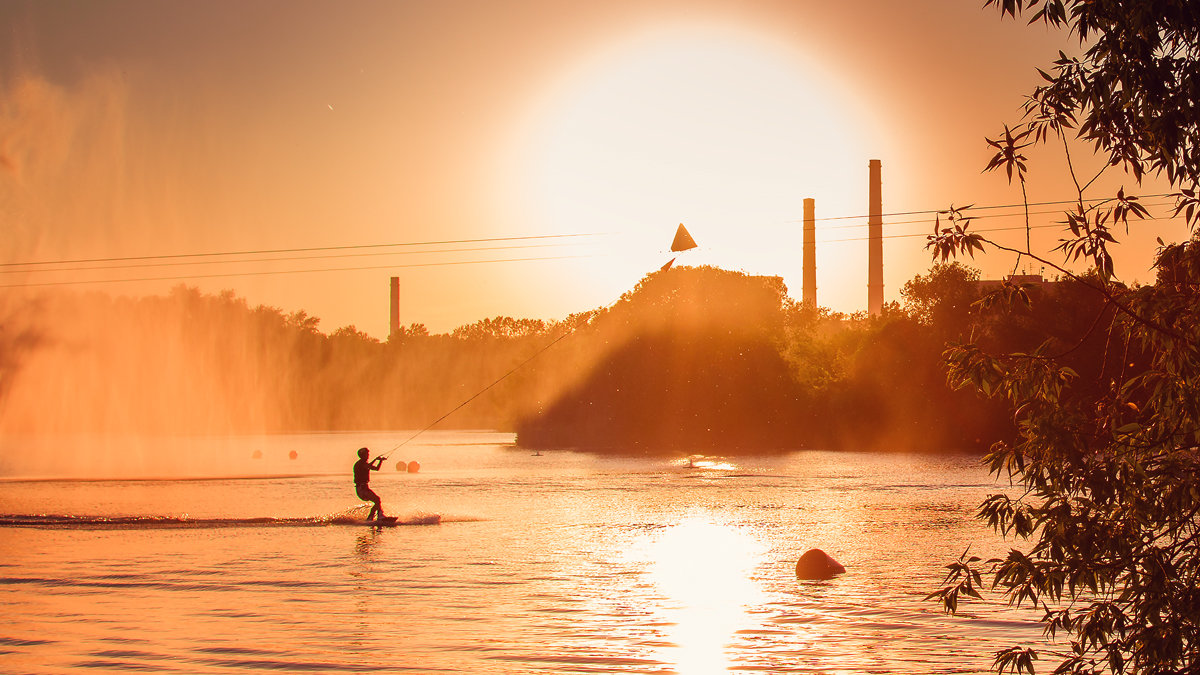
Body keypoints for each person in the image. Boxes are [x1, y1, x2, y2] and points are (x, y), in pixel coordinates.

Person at [353, 447, 386, 521]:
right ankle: (377, 516)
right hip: (361, 489)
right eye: (366, 454)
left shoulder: (364, 464)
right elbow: (368, 466)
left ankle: (374, 516)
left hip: (364, 488)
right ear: (362, 455)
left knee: (377, 500)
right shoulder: (360, 464)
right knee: (377, 500)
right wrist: (376, 459)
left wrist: (380, 461)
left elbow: (376, 469)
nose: (368, 455)